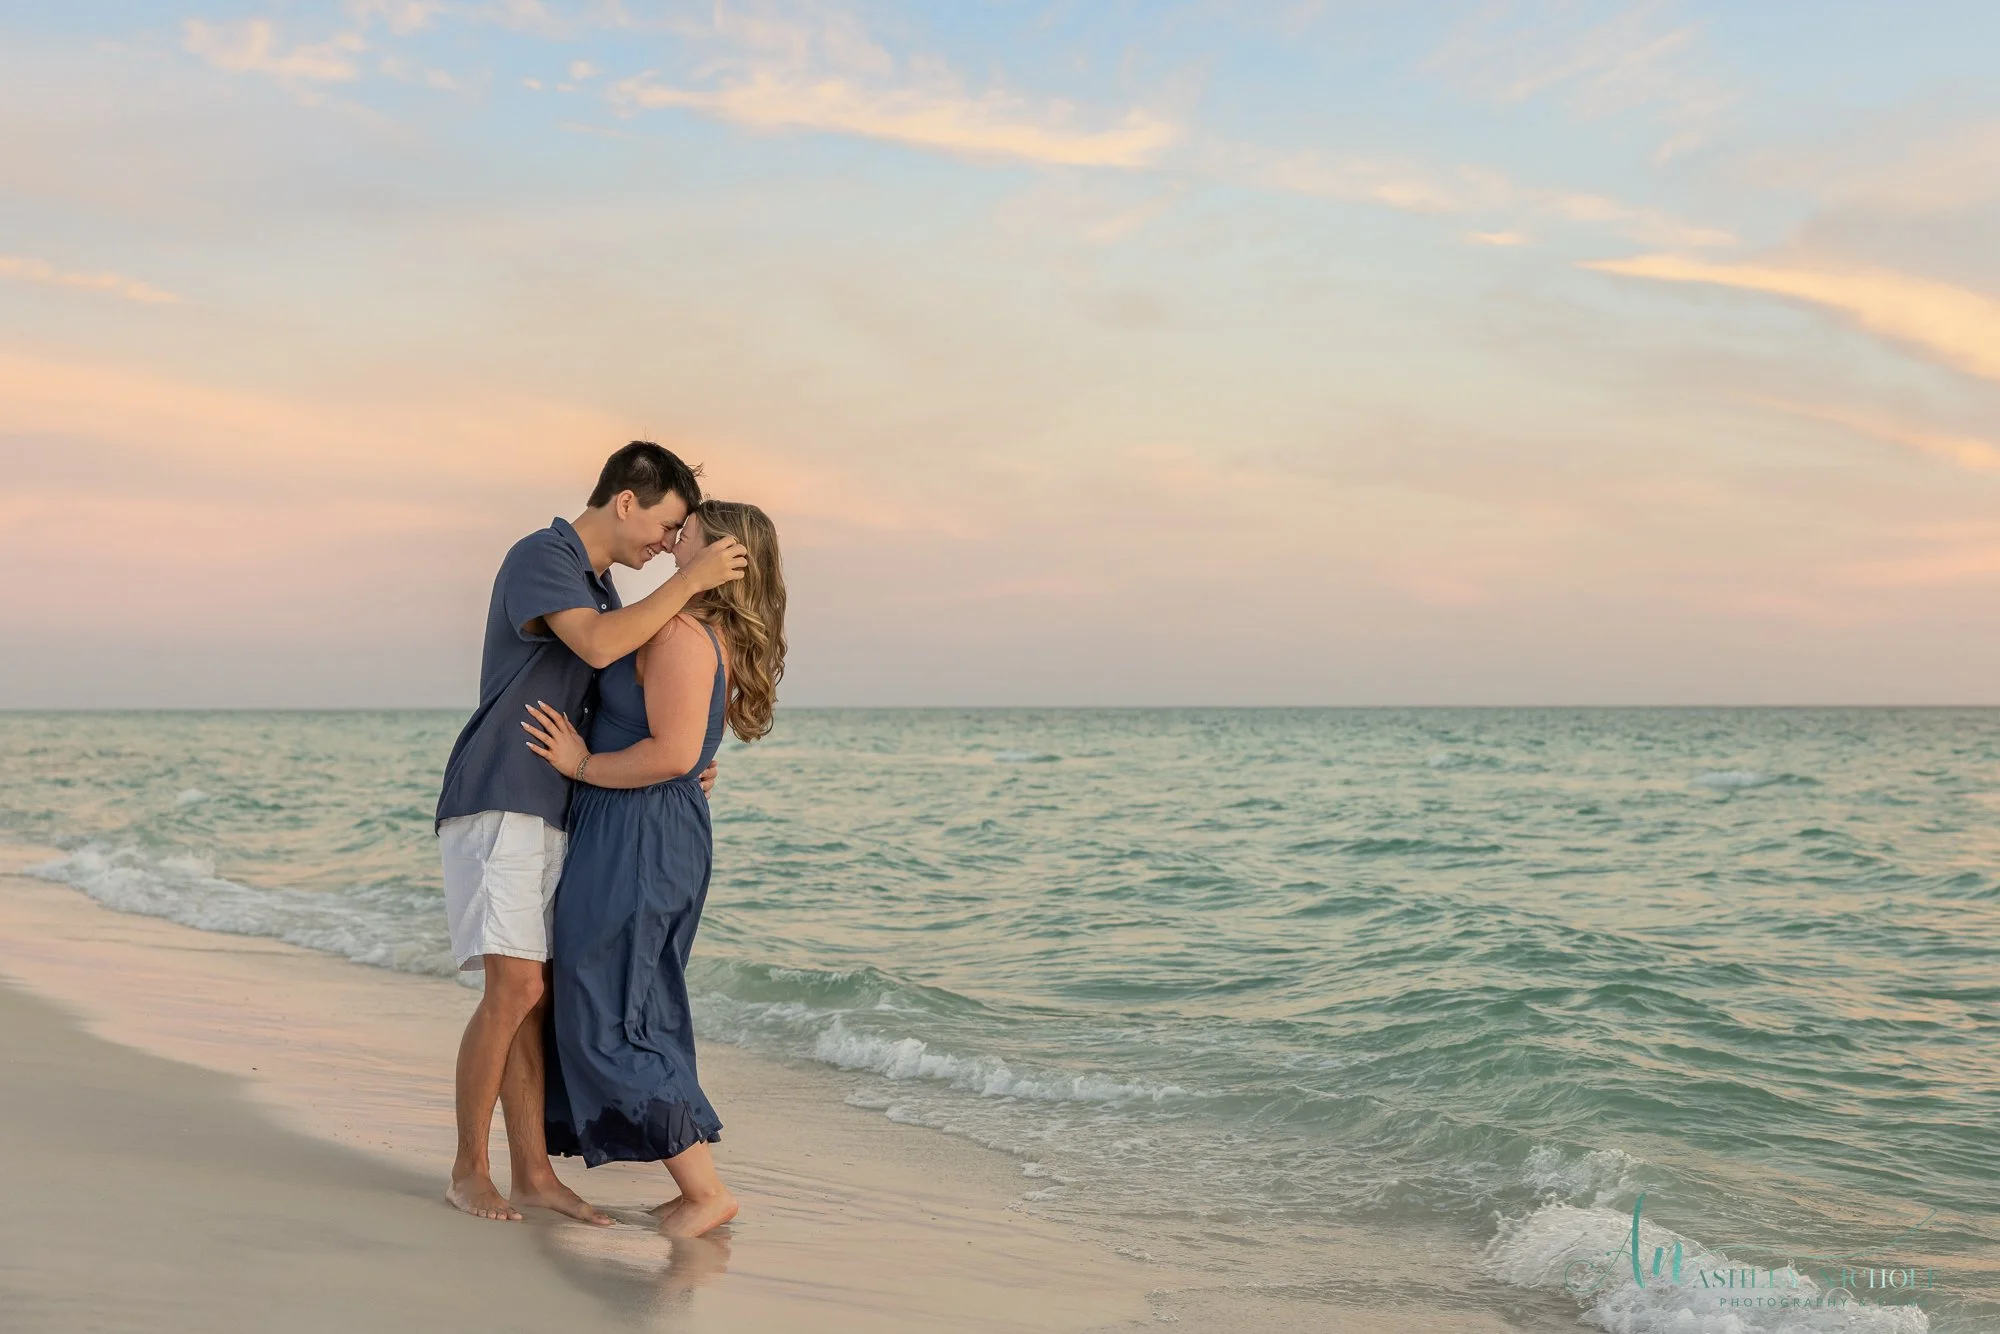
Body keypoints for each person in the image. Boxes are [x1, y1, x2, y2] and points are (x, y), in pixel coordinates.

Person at [434, 443, 747, 1224]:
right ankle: (469, 1170)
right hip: (502, 794)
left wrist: (679, 764)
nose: (667, 546)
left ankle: (534, 1173)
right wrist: (692, 580)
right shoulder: (543, 556)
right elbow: (602, 649)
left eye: (683, 537)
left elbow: (626, 704)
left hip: (558, 808)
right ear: (627, 501)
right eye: (667, 526)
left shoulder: (604, 587)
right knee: (515, 989)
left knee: (535, 1000)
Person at [521, 499, 786, 1238]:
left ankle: (705, 1192)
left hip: (639, 835)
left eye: (688, 531)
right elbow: (687, 750)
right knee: (633, 1000)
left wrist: (581, 762)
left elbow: (671, 753)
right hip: (649, 828)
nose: (676, 538)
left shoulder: (679, 632)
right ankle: (692, 1183)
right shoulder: (696, 629)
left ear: (720, 550)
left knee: (605, 1004)